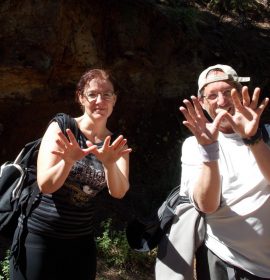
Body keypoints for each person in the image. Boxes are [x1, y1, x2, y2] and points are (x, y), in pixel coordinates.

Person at [9, 68, 132, 280]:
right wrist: (68, 161)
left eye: (106, 94)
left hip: (80, 243)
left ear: (115, 99)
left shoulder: (116, 143)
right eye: (92, 94)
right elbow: (46, 185)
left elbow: (119, 192)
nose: (99, 101)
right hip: (39, 237)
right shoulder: (62, 127)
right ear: (81, 98)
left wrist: (110, 164)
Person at [179, 64, 270, 279]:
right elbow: (206, 205)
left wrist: (253, 138)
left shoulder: (266, 135)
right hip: (225, 261)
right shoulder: (194, 146)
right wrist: (210, 150)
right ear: (202, 103)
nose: (221, 101)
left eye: (228, 92)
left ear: (240, 93)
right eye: (212, 96)